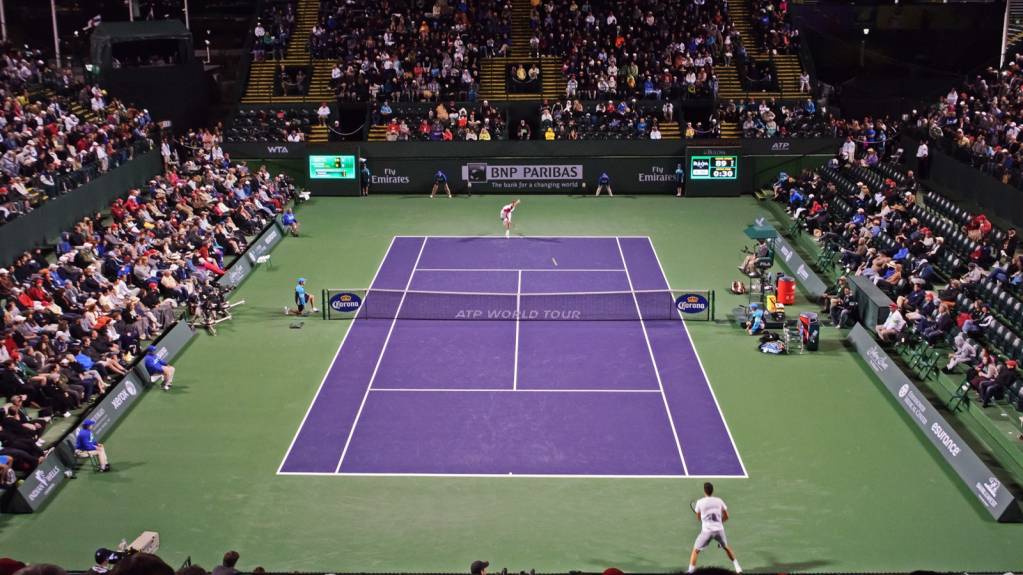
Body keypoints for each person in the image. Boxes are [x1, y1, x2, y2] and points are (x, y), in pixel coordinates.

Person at [689, 482, 742, 574]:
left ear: (704, 491)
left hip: (706, 532)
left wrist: (703, 518)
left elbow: (698, 517)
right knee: (726, 547)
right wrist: (719, 521)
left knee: (696, 550)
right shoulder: (719, 500)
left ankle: (690, 571)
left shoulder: (700, 502)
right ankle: (738, 568)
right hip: (719, 531)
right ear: (712, 491)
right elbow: (726, 516)